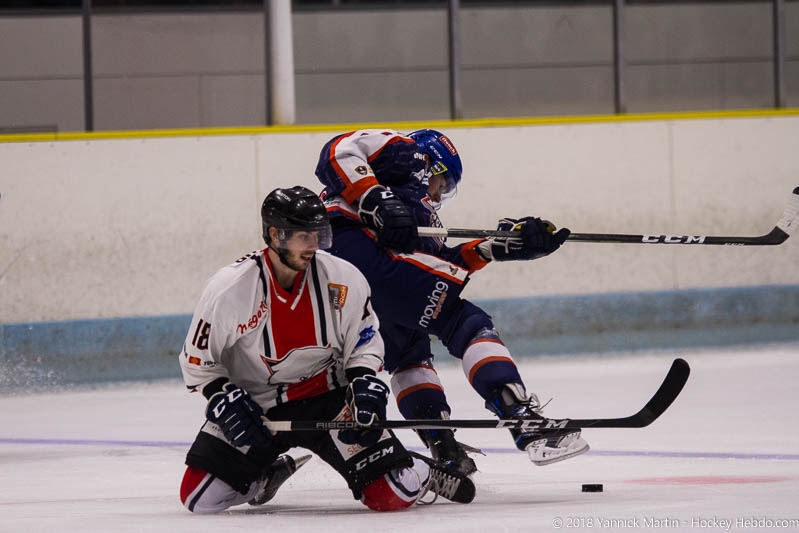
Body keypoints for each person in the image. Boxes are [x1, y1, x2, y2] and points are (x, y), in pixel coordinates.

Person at [177, 186, 475, 514]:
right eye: (305, 236)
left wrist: (364, 384)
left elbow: (364, 341)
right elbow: (198, 361)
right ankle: (264, 474)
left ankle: (416, 469)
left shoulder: (342, 278)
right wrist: (225, 400)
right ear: (276, 235)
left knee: (392, 494)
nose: (314, 245)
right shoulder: (230, 289)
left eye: (318, 234)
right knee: (200, 499)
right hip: (257, 405)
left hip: (331, 401)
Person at [315, 129, 590, 478]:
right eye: (442, 184)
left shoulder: (420, 216)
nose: (439, 193)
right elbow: (339, 150)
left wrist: (495, 247)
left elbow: (431, 265)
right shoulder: (406, 153)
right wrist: (373, 196)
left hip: (345, 280)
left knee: (410, 350)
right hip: (356, 254)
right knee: (466, 322)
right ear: (433, 166)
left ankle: (443, 447)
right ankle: (521, 417)